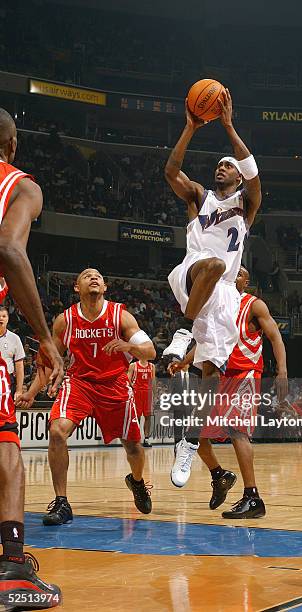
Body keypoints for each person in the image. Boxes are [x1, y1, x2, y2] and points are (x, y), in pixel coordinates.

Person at [163, 90, 262, 486]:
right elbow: (171, 172)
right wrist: (189, 129)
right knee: (217, 263)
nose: (221, 168)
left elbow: (255, 175)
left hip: (221, 299)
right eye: (218, 165)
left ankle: (188, 441)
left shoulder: (247, 202)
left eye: (228, 166)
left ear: (238, 174)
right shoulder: (199, 196)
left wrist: (227, 126)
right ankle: (182, 331)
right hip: (192, 273)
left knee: (211, 374)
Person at [19, 268, 156, 525]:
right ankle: (62, 502)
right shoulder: (65, 320)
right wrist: (30, 392)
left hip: (114, 384)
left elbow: (150, 352)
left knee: (133, 446)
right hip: (79, 383)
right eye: (87, 276)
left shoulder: (121, 316)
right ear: (76, 287)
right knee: (58, 430)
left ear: (104, 288)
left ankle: (137, 483)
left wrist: (130, 347)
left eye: (99, 277)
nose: (94, 278)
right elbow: (50, 362)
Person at [0, 107, 63, 608]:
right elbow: (10, 249)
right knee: (7, 450)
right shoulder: (21, 185)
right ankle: (14, 568)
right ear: (13, 145)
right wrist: (44, 335)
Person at [169, 266, 288, 518]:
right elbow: (205, 342)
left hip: (243, 375)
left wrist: (282, 372)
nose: (235, 274)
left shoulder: (254, 305)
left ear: (247, 281)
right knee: (194, 436)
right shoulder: (216, 305)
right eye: (233, 270)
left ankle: (252, 497)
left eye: (241, 272)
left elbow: (276, 337)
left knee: (237, 431)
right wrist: (185, 361)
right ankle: (219, 475)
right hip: (216, 377)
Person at [128, 359, 156, 447]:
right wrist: (133, 388)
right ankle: (136, 438)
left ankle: (146, 439)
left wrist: (154, 394)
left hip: (148, 393)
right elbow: (128, 379)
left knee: (148, 417)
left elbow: (153, 380)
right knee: (137, 417)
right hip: (137, 392)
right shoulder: (133, 365)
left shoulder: (152, 366)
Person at [0, 306, 25, 401]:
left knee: (6, 413)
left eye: (4, 316)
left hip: (7, 380)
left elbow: (19, 366)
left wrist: (19, 390)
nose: (1, 318)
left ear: (8, 319)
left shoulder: (14, 338)